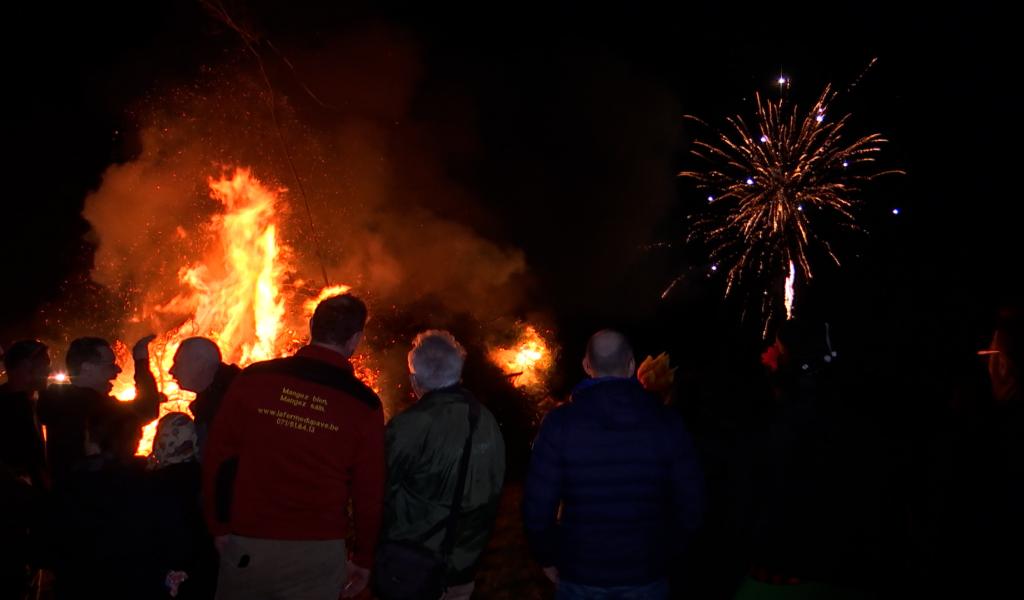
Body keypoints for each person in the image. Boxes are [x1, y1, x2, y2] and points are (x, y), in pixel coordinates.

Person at [203, 293, 385, 600]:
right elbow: (369, 492)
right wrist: (364, 557)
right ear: (356, 339)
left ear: (312, 325)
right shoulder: (364, 404)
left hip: (249, 545)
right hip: (317, 554)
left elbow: (217, 461)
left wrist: (218, 526)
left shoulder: (255, 379)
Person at [523, 329, 705, 599]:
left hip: (580, 573)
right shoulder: (667, 422)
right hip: (646, 573)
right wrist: (669, 552)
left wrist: (546, 557)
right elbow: (693, 501)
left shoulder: (559, 424)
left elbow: (537, 505)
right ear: (632, 365)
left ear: (587, 365)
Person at [378, 331, 506, 600]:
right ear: (458, 373)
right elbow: (493, 492)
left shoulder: (409, 426)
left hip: (410, 569)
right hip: (463, 568)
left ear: (414, 380)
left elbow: (379, 489)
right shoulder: (487, 421)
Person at [37, 335, 163, 481]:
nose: (118, 369)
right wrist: (141, 361)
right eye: (110, 364)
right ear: (87, 368)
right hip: (95, 498)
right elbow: (146, 409)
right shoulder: (89, 405)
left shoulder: (63, 402)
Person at [168, 337, 240, 460]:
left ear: (199, 364)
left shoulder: (230, 406)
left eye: (178, 363)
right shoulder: (212, 401)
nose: (171, 371)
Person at [0, 340, 50, 487]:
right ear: (25, 366)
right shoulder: (9, 408)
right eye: (45, 364)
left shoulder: (29, 403)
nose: (48, 371)